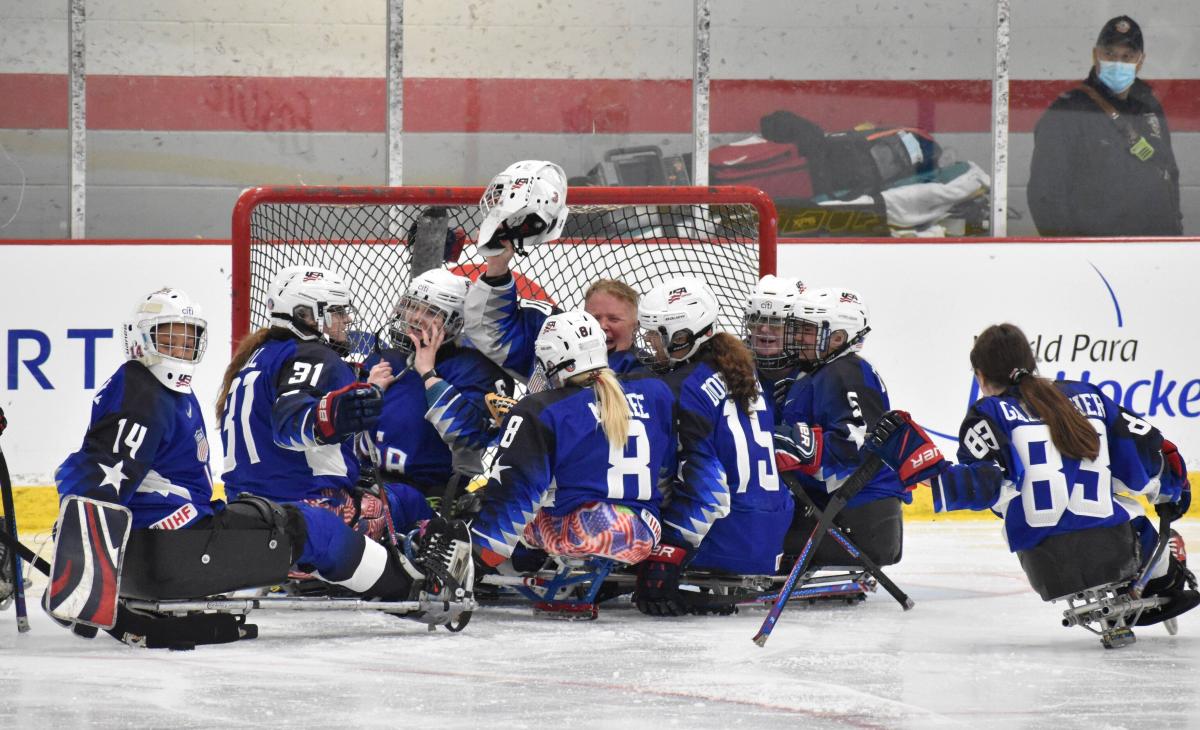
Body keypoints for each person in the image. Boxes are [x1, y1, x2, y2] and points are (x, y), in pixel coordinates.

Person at [51, 288, 469, 644]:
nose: (179, 349)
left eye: (187, 338)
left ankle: (396, 577)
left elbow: (91, 466)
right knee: (314, 527)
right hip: (174, 546)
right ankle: (414, 592)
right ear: (138, 339)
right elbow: (102, 470)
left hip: (168, 543)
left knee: (307, 522)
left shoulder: (163, 389)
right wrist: (80, 568)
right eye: (168, 338)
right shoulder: (142, 389)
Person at [867, 323, 1196, 626]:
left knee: (1013, 504)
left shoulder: (987, 414)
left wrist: (917, 461)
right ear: (1030, 361)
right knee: (1125, 500)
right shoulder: (1089, 395)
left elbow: (985, 488)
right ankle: (1165, 573)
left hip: (1047, 569)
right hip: (1118, 551)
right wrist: (1174, 491)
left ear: (980, 376)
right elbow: (1145, 465)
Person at [217, 266, 431, 538]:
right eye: (337, 312)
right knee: (410, 501)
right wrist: (331, 417)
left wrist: (365, 389)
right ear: (306, 315)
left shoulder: (258, 356)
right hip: (303, 511)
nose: (346, 319)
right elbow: (290, 422)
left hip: (244, 510)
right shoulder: (315, 355)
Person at [634, 276, 794, 616]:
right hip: (768, 534)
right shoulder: (742, 370)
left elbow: (709, 490)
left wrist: (670, 550)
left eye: (654, 334)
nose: (649, 342)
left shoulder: (682, 387)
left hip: (723, 539)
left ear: (681, 337)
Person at [470, 311, 675, 571]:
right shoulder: (654, 391)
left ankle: (493, 562)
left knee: (489, 499)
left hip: (580, 533)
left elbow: (517, 491)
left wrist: (480, 554)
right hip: (643, 532)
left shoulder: (543, 409)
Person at [766, 286, 908, 568]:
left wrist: (796, 444)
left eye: (808, 330)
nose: (797, 337)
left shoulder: (845, 372)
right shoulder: (819, 372)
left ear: (839, 337)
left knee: (754, 533)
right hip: (841, 512)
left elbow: (855, 446)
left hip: (858, 522)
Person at [462, 159, 643, 378]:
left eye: (614, 319)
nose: (603, 326)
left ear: (636, 327)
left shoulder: (644, 373)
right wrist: (497, 266)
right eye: (595, 318)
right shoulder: (554, 346)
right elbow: (489, 330)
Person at [363, 268, 514, 508]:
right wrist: (366, 393)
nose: (415, 317)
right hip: (363, 482)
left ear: (454, 321)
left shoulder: (476, 370)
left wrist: (429, 376)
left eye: (431, 311)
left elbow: (472, 437)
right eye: (412, 306)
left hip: (427, 496)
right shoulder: (384, 360)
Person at [1027, 15, 1182, 237]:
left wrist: (1174, 231)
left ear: (1141, 60)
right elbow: (1045, 194)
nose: (1118, 62)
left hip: (1154, 250)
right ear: (1095, 54)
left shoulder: (1149, 105)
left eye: (1127, 56)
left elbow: (1169, 172)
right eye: (1110, 54)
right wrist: (1069, 252)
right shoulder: (1068, 111)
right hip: (1097, 254)